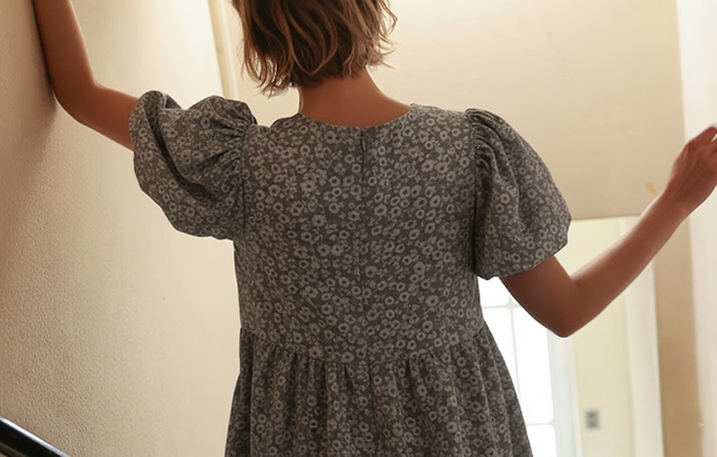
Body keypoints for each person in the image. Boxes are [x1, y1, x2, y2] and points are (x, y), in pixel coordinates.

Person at [32, 0, 717, 455]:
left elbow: (78, 92)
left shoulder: (242, 167)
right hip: (459, 430)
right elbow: (565, 311)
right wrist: (674, 201)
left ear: (258, 30)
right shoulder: (467, 151)